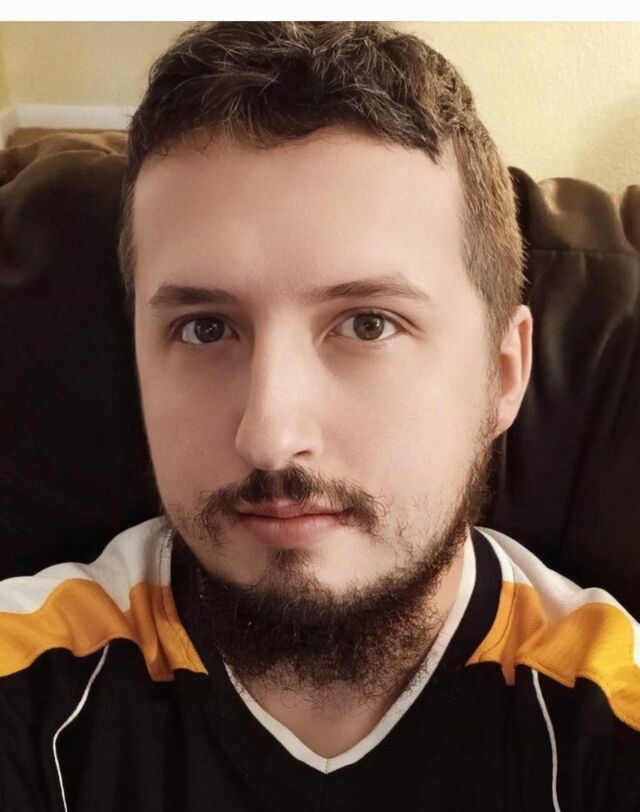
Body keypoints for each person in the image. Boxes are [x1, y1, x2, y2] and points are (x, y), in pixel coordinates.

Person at [1, 21, 638, 812]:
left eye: (368, 324)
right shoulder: (29, 677)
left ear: (503, 373)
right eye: (205, 328)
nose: (269, 437)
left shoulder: (612, 715)